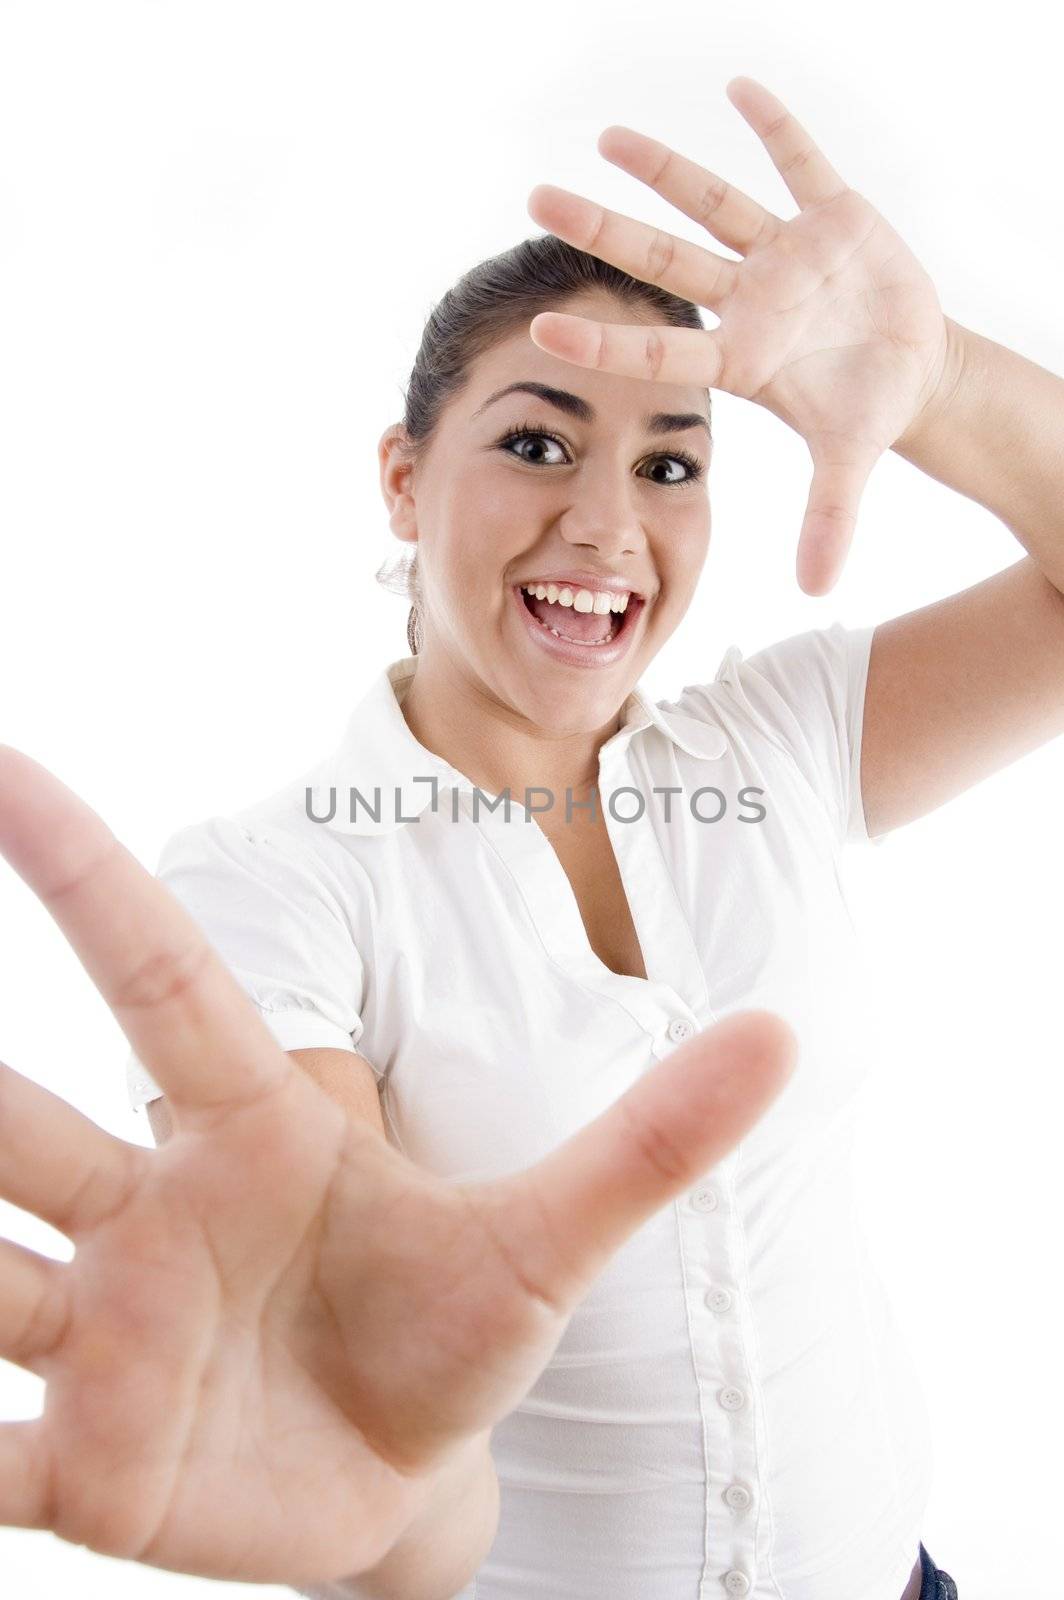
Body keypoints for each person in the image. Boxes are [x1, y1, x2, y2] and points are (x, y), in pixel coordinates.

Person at [2, 73, 1062, 1600]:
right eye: (538, 444)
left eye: (670, 464)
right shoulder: (278, 884)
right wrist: (357, 1466)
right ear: (403, 480)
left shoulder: (776, 744)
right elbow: (334, 1317)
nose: (608, 526)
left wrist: (949, 376)